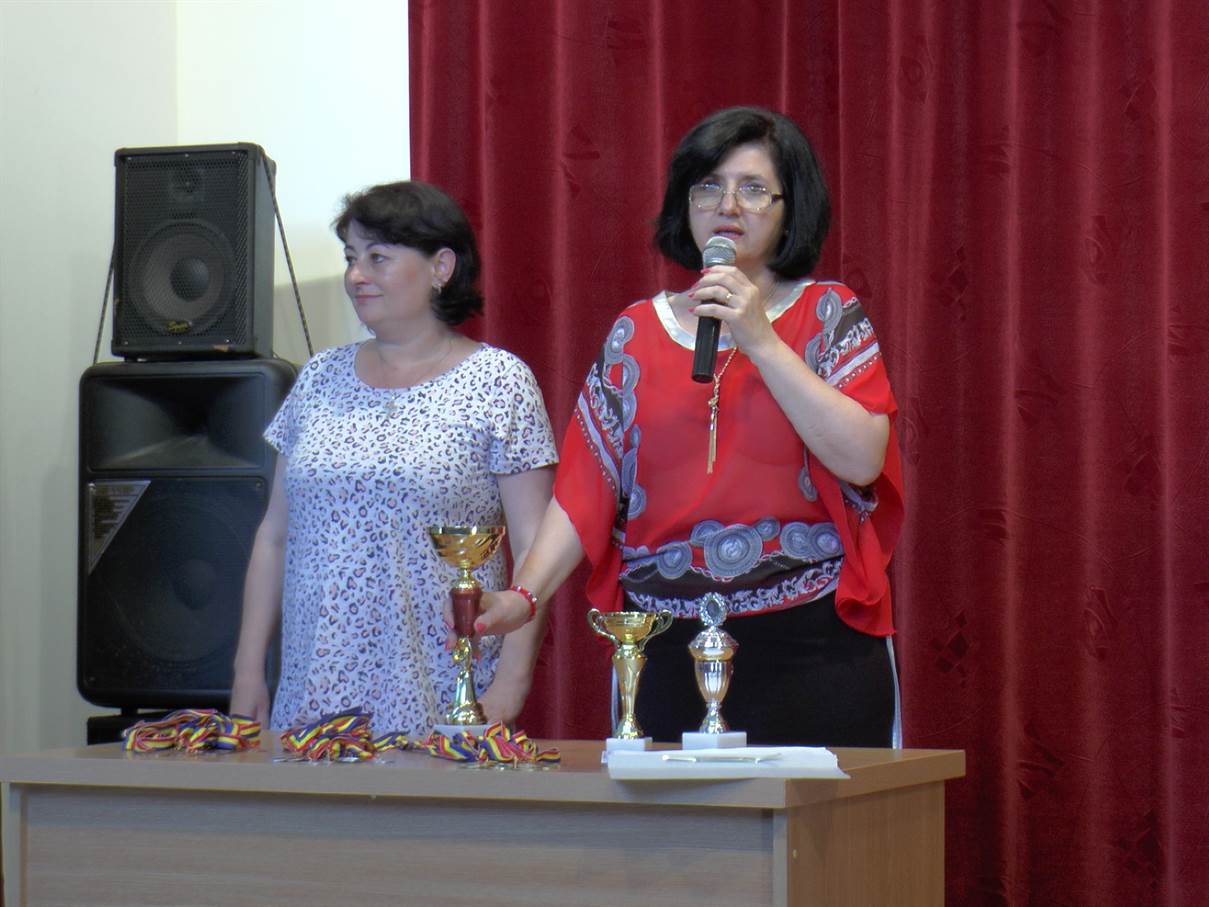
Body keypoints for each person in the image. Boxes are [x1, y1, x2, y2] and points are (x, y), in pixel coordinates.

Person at [475, 107, 904, 746]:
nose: (727, 205)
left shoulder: (827, 314)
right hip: (663, 641)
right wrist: (524, 595)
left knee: (821, 814)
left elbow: (863, 458)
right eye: (708, 187)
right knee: (672, 815)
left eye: (753, 188)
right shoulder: (634, 333)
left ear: (791, 209)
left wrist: (760, 339)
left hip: (811, 641)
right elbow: (585, 491)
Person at [230, 180, 557, 735]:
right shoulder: (318, 377)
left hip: (443, 687)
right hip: (313, 689)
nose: (356, 276)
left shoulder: (499, 381)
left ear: (441, 267)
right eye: (350, 258)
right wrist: (247, 672)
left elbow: (534, 546)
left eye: (377, 257)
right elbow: (274, 536)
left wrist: (511, 681)